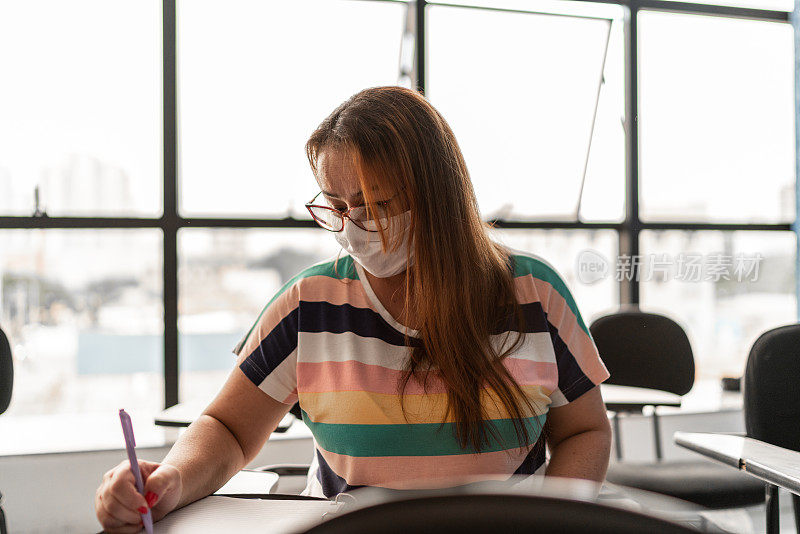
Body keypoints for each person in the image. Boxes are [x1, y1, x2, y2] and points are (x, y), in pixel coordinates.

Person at [95, 86, 611, 533]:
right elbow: (229, 428)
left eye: (377, 204)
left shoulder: (532, 294)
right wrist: (172, 477)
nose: (353, 225)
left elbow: (585, 431)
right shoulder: (310, 304)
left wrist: (553, 521)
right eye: (336, 206)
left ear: (439, 196)